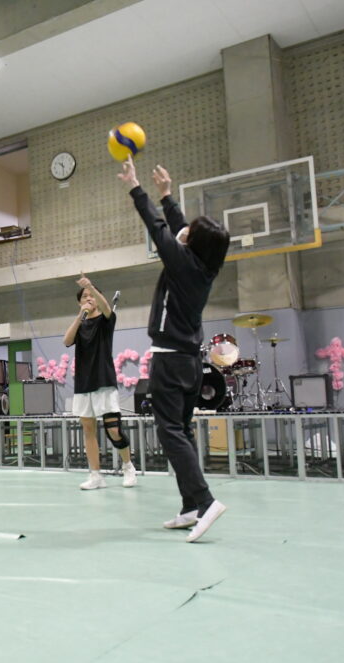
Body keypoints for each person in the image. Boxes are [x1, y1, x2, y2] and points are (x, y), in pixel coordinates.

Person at [119, 157, 230, 542]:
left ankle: (205, 500)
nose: (185, 232)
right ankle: (189, 507)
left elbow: (159, 229)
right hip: (190, 363)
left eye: (190, 233)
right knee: (180, 431)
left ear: (193, 244)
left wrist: (137, 188)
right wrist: (168, 195)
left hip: (169, 363)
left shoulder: (182, 263)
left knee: (169, 432)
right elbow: (181, 231)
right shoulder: (203, 266)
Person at [63, 274, 137, 490]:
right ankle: (96, 476)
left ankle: (128, 466)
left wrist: (90, 287)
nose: (88, 298)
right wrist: (80, 315)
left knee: (113, 430)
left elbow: (106, 306)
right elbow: (67, 340)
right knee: (88, 430)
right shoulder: (81, 323)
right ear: (79, 302)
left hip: (104, 381)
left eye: (92, 295)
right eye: (84, 296)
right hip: (83, 384)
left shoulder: (106, 320)